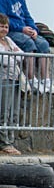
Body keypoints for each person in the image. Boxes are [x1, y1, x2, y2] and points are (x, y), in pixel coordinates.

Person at [0, 0, 54, 95]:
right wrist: (22, 29)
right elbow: (3, 19)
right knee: (28, 43)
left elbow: (28, 17)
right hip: (11, 31)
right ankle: (31, 79)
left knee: (43, 44)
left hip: (24, 30)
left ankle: (46, 81)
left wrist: (34, 30)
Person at [0, 12, 21, 154]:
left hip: (15, 79)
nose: (4, 29)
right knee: (3, 112)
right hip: (3, 80)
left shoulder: (8, 40)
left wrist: (13, 54)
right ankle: (3, 143)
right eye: (1, 26)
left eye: (6, 27)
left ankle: (11, 141)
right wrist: (13, 55)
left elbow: (22, 56)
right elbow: (4, 60)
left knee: (14, 112)